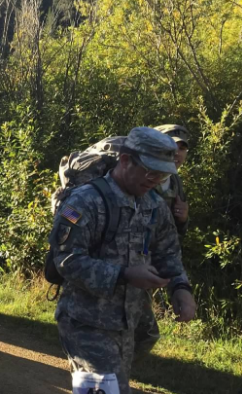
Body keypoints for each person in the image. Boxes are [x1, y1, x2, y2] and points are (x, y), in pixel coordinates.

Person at [46, 127, 196, 394]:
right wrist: (123, 274)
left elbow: (168, 251)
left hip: (128, 323)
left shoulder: (154, 205)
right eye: (150, 171)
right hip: (85, 322)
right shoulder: (84, 201)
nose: (155, 180)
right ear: (125, 160)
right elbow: (67, 260)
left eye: (162, 174)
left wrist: (181, 288)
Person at [132, 124, 193, 361]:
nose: (178, 153)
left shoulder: (175, 183)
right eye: (172, 146)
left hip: (152, 260)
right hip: (127, 260)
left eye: (182, 148)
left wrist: (183, 218)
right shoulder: (140, 175)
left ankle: (115, 372)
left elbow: (174, 233)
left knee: (140, 331)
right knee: (145, 332)